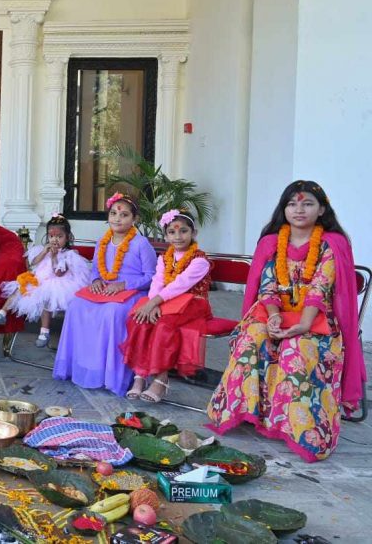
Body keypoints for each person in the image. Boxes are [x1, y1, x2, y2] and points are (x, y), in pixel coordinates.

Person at [208, 180, 361, 462]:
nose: (299, 209)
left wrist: (302, 325)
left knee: (297, 350)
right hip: (272, 310)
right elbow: (266, 286)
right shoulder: (272, 242)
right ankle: (251, 413)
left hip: (316, 318)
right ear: (284, 208)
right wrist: (274, 317)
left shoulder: (332, 243)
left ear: (322, 209)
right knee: (251, 339)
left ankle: (303, 430)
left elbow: (320, 287)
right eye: (292, 203)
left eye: (307, 204)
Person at [53, 192, 156, 396]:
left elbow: (151, 276)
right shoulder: (103, 240)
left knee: (112, 313)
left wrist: (123, 284)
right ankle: (83, 367)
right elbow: (96, 270)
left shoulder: (140, 243)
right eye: (114, 213)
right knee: (76, 306)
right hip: (105, 289)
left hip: (132, 292)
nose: (117, 218)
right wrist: (97, 281)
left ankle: (111, 374)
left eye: (124, 215)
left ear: (134, 219)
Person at [120, 209, 212, 403]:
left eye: (183, 231)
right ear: (166, 235)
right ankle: (140, 375)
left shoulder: (200, 261)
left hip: (193, 302)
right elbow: (157, 282)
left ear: (194, 233)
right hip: (165, 301)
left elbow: (180, 285)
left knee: (163, 325)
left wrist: (154, 303)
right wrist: (151, 305)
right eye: (172, 232)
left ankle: (161, 379)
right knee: (139, 320)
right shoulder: (164, 258)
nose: (177, 236)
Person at [0, 214, 89, 347]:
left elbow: (59, 273)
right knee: (20, 287)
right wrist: (44, 253)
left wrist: (54, 257)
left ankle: (44, 332)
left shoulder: (69, 255)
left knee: (46, 298)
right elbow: (33, 264)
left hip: (59, 284)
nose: (55, 240)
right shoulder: (42, 250)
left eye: (59, 237)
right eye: (51, 236)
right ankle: (2, 313)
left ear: (68, 237)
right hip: (39, 280)